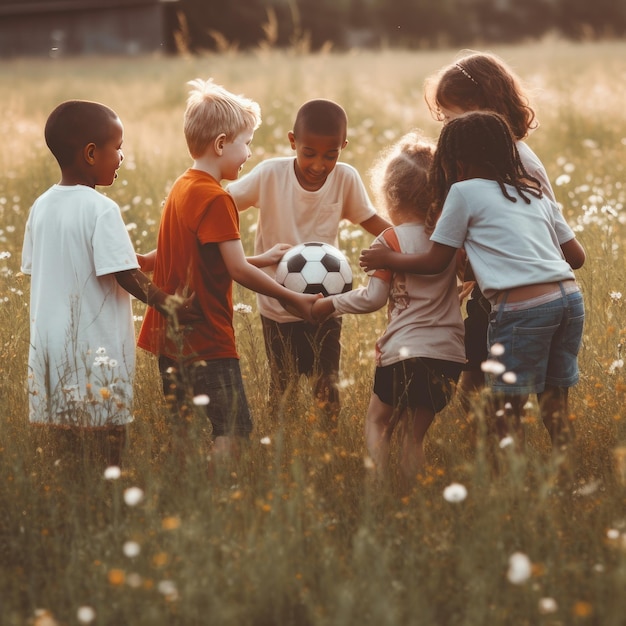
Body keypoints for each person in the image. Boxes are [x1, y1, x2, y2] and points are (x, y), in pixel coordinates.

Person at [360, 111, 586, 449]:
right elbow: (576, 257)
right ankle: (567, 472)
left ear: (456, 164)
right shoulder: (534, 192)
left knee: (505, 409)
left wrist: (387, 258)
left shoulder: (463, 193)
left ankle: (505, 486)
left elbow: (435, 261)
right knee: (554, 398)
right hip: (569, 300)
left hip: (522, 310)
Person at [137, 79, 319, 464]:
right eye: (246, 142)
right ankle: (218, 498)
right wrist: (293, 298)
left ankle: (184, 493)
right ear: (221, 144)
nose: (249, 153)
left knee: (183, 429)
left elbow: (195, 258)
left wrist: (264, 257)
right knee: (232, 431)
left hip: (171, 339)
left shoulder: (182, 187)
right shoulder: (217, 198)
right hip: (207, 337)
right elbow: (234, 269)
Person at [21, 100, 195, 466]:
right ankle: (107, 491)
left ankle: (76, 496)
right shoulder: (101, 209)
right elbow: (124, 273)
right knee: (109, 436)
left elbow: (38, 269)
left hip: (50, 349)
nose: (121, 156)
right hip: (95, 347)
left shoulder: (41, 206)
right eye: (117, 148)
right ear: (90, 153)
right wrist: (169, 303)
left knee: (66, 436)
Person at [312, 132, 465, 489]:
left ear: (390, 195)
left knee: (378, 422)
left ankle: (378, 489)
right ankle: (410, 499)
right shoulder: (447, 238)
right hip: (449, 356)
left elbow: (373, 298)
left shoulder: (391, 240)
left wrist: (328, 304)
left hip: (403, 353)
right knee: (413, 438)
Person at [227, 98, 390, 424]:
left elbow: (370, 220)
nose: (319, 164)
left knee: (326, 382)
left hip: (325, 302)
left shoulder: (345, 178)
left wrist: (409, 245)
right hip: (278, 303)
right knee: (282, 384)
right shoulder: (270, 174)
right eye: (308, 153)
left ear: (343, 147)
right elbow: (224, 203)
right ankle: (278, 443)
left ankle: (327, 445)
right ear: (293, 142)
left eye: (331, 155)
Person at [422, 50, 565, 412]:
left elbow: (544, 226)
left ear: (483, 109)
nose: (448, 129)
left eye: (453, 117)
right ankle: (477, 442)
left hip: (514, 295)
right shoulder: (496, 161)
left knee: (496, 383)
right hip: (503, 289)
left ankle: (492, 445)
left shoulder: (518, 160)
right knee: (476, 365)